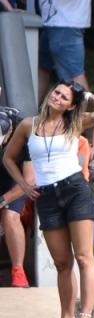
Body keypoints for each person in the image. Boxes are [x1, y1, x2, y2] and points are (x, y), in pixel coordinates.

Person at [3, 81, 94, 318]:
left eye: (64, 96)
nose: (57, 97)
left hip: (74, 192)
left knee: (83, 256)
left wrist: (88, 95)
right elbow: (8, 158)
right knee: (61, 263)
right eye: (56, 92)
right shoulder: (29, 124)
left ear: (71, 104)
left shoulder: (76, 121)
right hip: (46, 196)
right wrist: (24, 185)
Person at [1, 108, 27, 287]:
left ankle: (18, 270)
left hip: (16, 181)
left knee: (10, 216)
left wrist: (2, 200)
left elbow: (29, 180)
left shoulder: (24, 133)